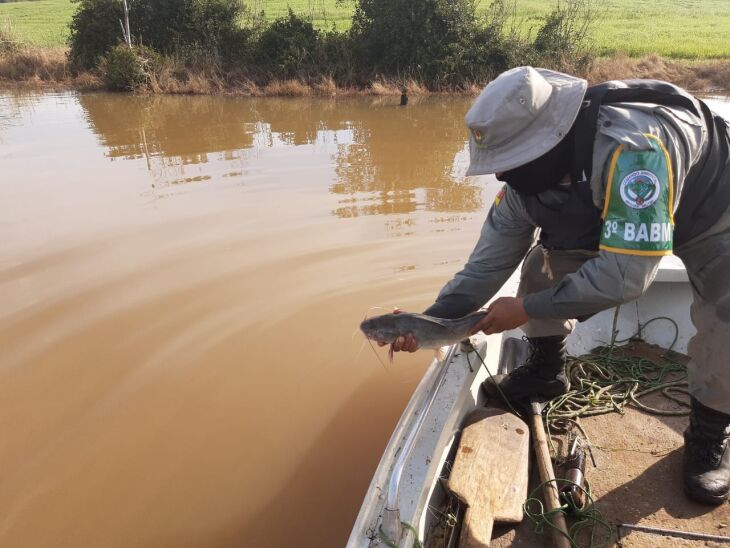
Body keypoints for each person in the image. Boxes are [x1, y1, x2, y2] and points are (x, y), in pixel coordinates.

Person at [387, 66, 730, 505]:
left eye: (509, 163)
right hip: (613, 210)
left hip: (710, 211)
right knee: (539, 268)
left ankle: (709, 435)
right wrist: (430, 322)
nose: (500, 177)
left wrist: (527, 310)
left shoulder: (633, 153)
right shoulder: (524, 181)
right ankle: (547, 372)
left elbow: (626, 276)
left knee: (726, 313)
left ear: (548, 142)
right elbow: (484, 268)